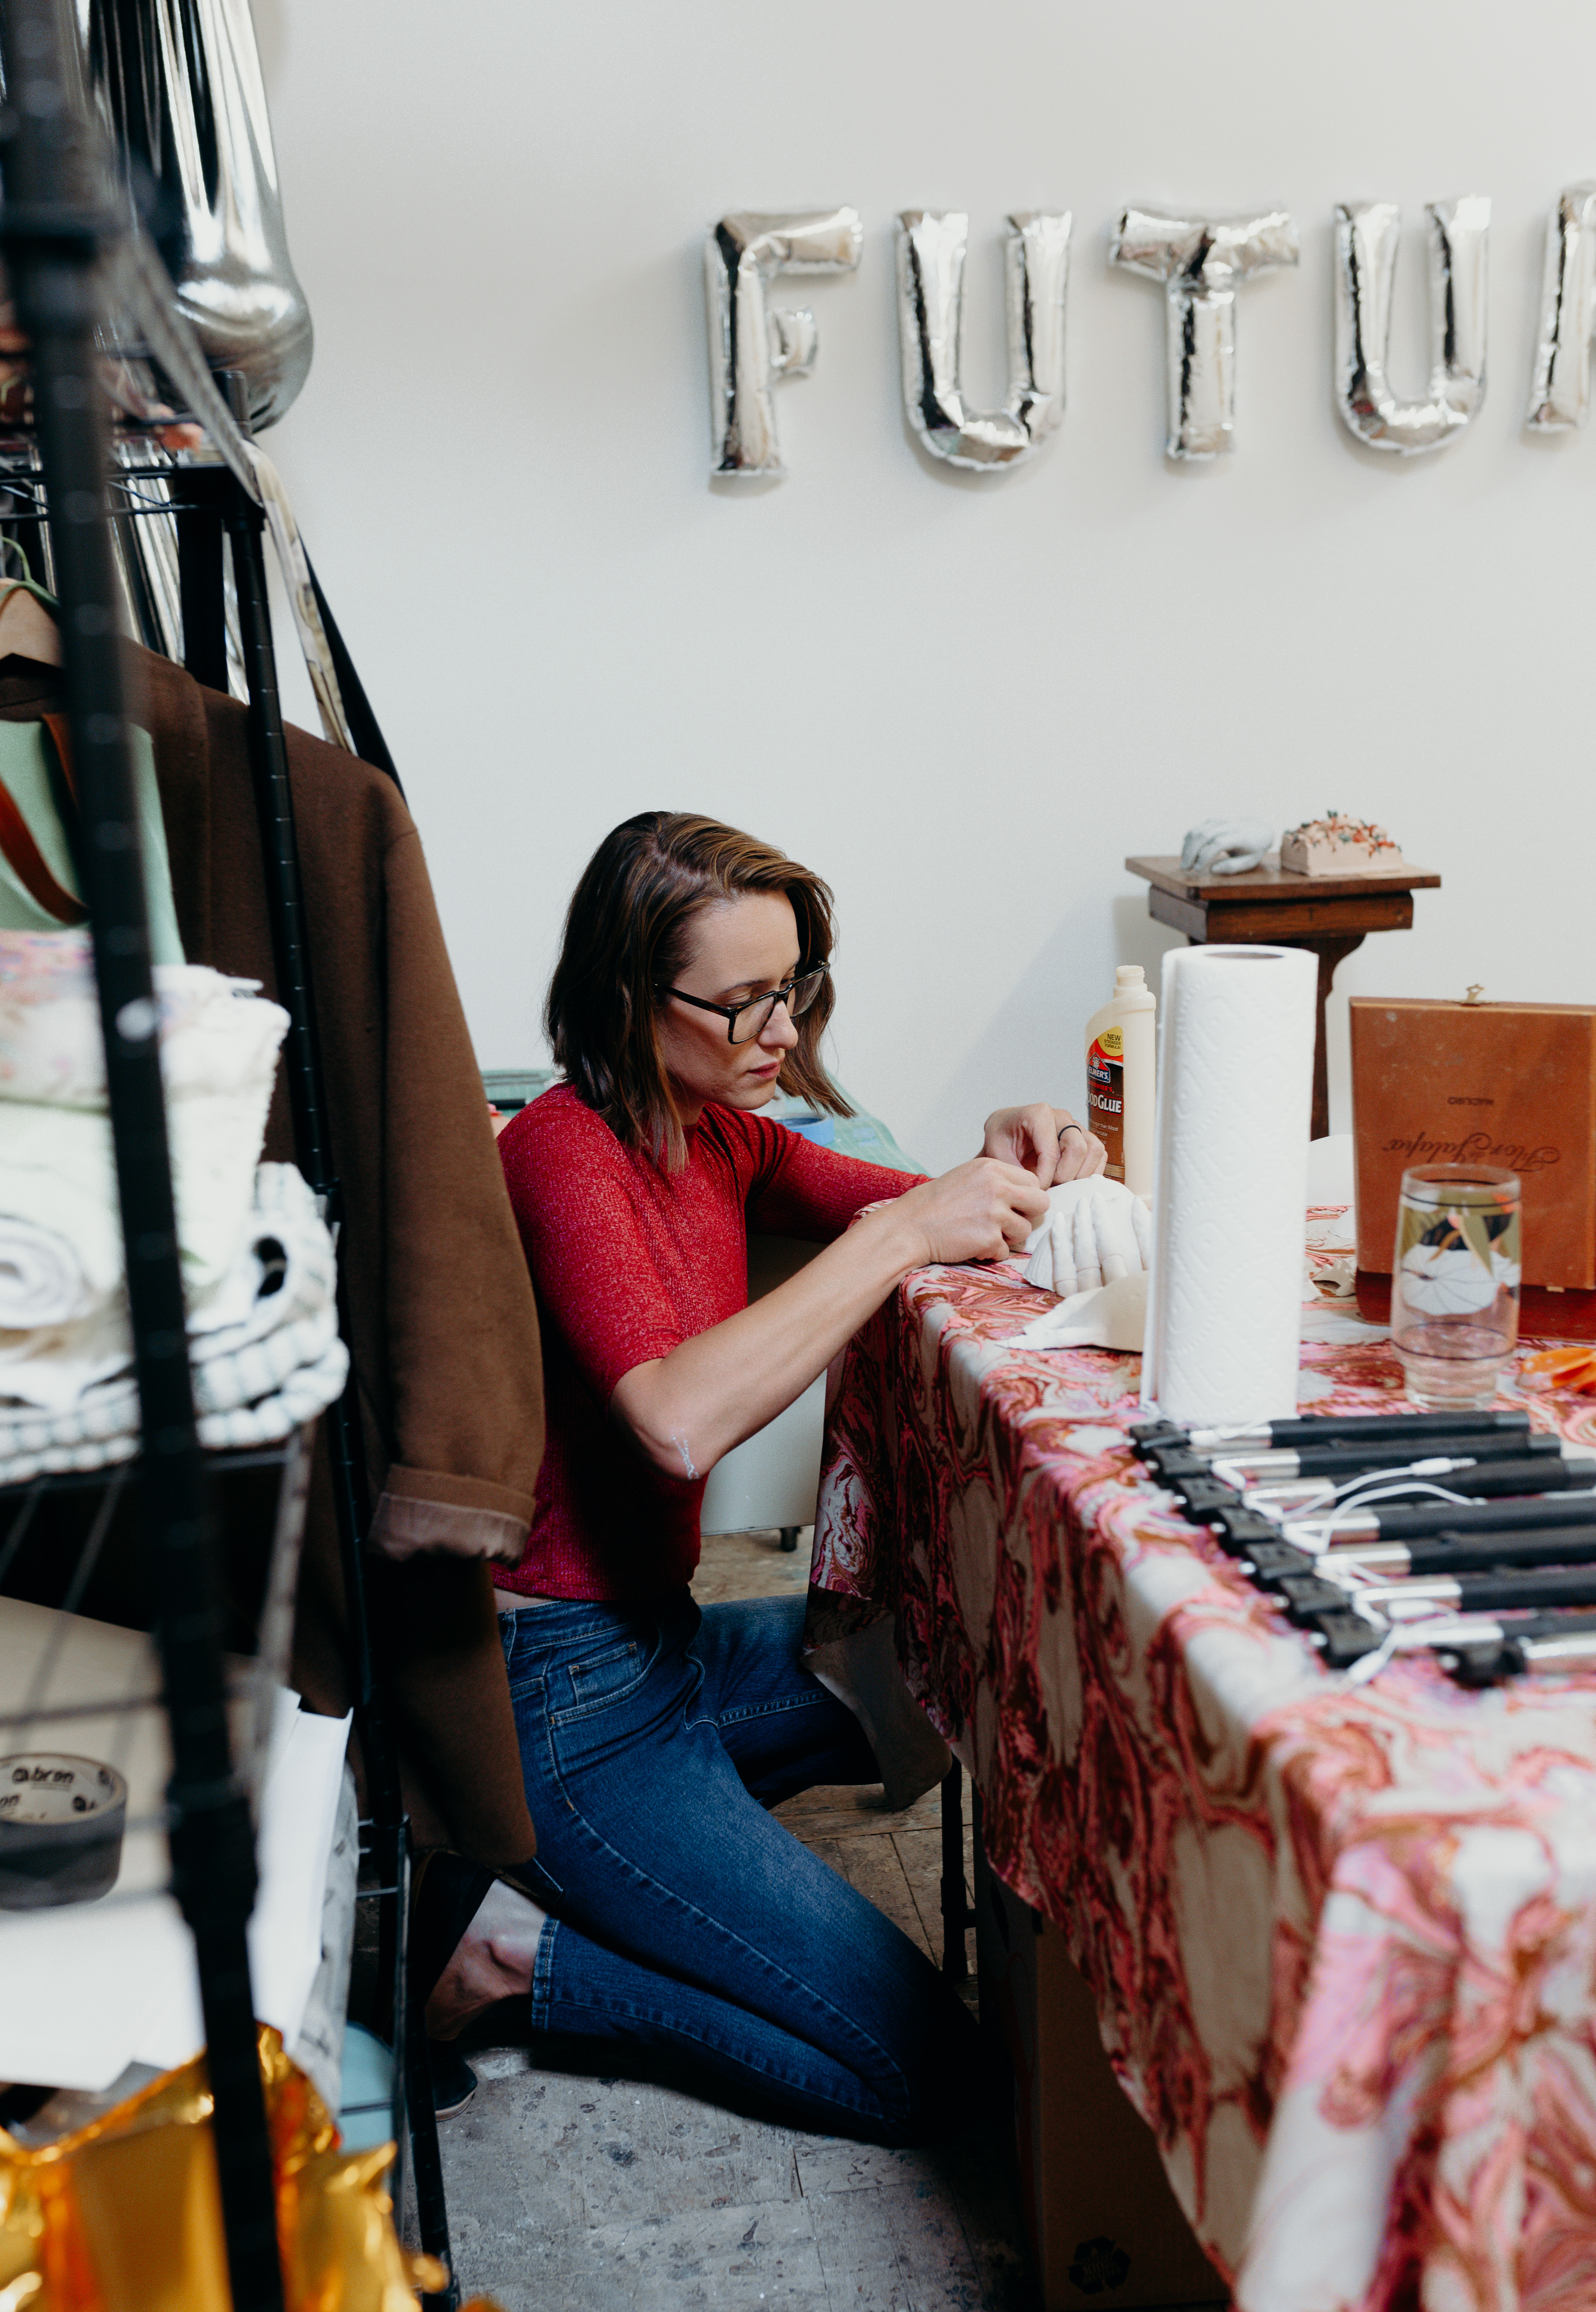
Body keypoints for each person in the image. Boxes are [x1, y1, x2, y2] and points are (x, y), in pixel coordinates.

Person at [425, 810, 1105, 2142]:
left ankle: (636, 1863)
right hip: (558, 1703)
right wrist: (911, 1223)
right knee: (936, 2077)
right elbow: (675, 1421)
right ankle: (503, 1960)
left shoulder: (724, 1131)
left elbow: (913, 1199)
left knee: (951, 1664)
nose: (781, 1035)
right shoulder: (562, 1153)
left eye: (790, 989)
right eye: (739, 1004)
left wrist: (1005, 1160)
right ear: (626, 1000)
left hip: (662, 1647)